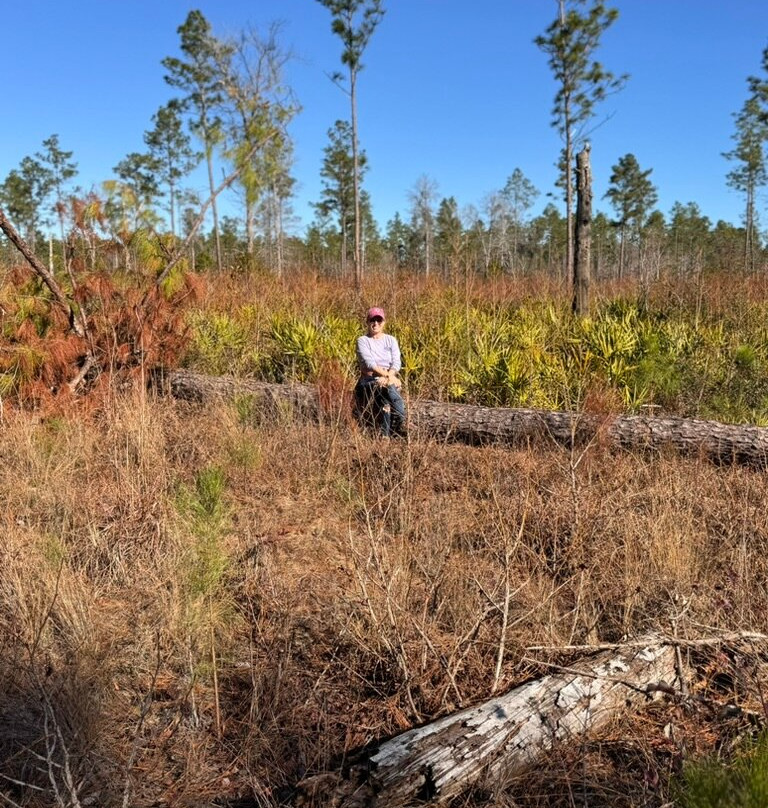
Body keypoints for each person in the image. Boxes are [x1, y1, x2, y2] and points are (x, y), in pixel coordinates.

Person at [355, 307, 407, 437]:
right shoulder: (363, 341)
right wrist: (389, 378)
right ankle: (398, 422)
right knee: (386, 387)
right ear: (367, 322)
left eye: (379, 320)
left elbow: (396, 362)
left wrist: (389, 377)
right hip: (369, 380)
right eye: (373, 320)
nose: (376, 323)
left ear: (384, 322)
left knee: (385, 400)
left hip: (388, 378)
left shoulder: (391, 340)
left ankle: (386, 436)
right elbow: (370, 364)